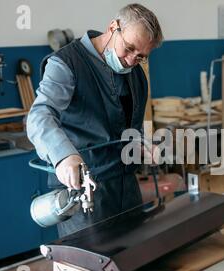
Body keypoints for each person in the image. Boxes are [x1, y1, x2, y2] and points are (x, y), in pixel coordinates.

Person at [27, 3, 163, 237]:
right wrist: (64, 156)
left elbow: (128, 124)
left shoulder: (136, 75)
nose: (131, 60)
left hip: (126, 187)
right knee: (91, 267)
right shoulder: (67, 64)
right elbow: (40, 116)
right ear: (113, 27)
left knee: (136, 259)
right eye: (129, 48)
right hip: (84, 191)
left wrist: (139, 145)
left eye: (140, 56)